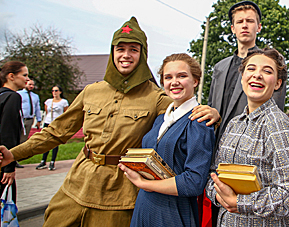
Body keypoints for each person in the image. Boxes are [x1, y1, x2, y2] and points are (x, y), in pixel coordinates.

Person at [0, 17, 218, 227]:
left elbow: (184, 118)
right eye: (120, 49)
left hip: (118, 195)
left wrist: (211, 115)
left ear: (143, 55)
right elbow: (56, 132)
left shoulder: (157, 98)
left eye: (134, 49)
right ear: (112, 52)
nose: (126, 55)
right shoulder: (92, 91)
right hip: (76, 185)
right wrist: (14, 154)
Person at [202, 0, 287, 225]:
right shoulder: (220, 67)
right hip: (218, 153)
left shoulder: (268, 65)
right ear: (232, 28)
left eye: (250, 21)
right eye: (239, 22)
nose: (244, 26)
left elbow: (273, 111)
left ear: (259, 27)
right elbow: (213, 107)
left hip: (252, 157)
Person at [206, 48, 289, 226]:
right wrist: (219, 195)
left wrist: (240, 203)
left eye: (267, 71)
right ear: (242, 78)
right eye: (251, 69)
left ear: (277, 83)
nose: (257, 75)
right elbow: (214, 175)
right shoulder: (234, 123)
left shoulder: (278, 125)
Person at [119, 53, 215, 226]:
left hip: (172, 212)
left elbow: (194, 182)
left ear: (195, 81)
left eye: (182, 76)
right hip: (144, 206)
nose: (174, 82)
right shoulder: (161, 119)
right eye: (168, 77)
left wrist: (144, 184)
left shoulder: (199, 122)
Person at [0, 61, 29, 202]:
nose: (28, 79)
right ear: (11, 76)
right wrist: (9, 166)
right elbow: (8, 132)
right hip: (3, 161)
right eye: (24, 75)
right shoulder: (12, 97)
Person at [35, 85, 69, 171]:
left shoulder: (63, 102)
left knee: (54, 142)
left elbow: (65, 113)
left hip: (57, 123)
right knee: (46, 141)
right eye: (53, 91)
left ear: (60, 92)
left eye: (56, 91)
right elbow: (47, 111)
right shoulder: (48, 101)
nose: (54, 92)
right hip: (48, 122)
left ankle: (52, 161)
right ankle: (43, 160)